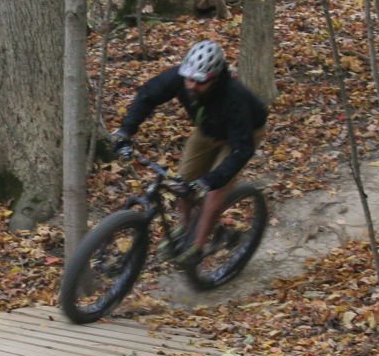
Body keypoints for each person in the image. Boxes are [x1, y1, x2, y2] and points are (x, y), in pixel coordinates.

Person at [112, 39, 268, 267]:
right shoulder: (180, 78)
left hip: (242, 135)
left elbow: (241, 150)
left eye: (199, 81)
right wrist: (126, 131)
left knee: (214, 191)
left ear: (214, 78)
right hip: (207, 130)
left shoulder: (234, 98)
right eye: (188, 78)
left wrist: (209, 180)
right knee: (182, 183)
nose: (191, 85)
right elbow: (148, 95)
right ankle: (186, 229)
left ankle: (197, 246)